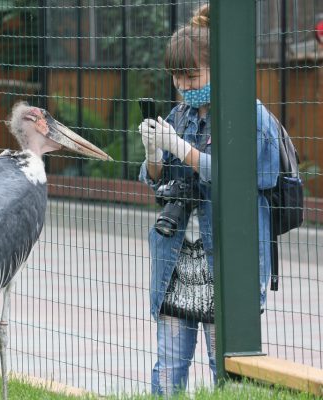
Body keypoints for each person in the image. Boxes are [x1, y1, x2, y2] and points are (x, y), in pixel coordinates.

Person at [137, 4, 280, 396]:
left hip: (227, 265)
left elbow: (243, 178)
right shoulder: (180, 114)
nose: (182, 84)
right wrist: (153, 153)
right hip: (176, 263)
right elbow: (153, 181)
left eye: (191, 74)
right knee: (167, 369)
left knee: (227, 371)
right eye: (176, 76)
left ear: (216, 67)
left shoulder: (248, 114)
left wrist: (181, 149)